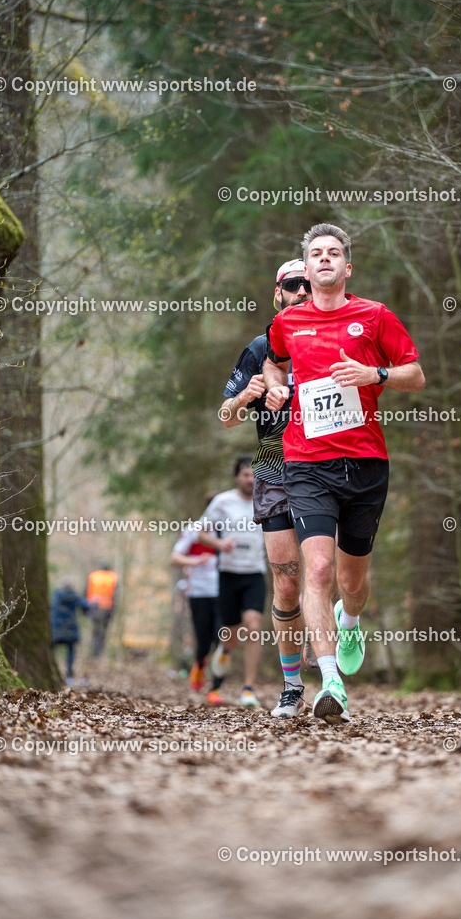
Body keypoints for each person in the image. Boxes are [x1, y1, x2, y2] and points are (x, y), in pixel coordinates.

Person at [264, 223, 425, 723]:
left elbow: (415, 375)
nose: (326, 260)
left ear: (347, 267)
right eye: (316, 254)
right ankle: (330, 680)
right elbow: (273, 363)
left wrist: (373, 374)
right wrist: (275, 388)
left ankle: (350, 620)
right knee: (316, 570)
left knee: (353, 580)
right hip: (306, 461)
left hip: (366, 462)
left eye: (335, 253)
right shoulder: (289, 323)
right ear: (306, 270)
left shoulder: (374, 316)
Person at [220, 259, 313, 719]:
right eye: (292, 286)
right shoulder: (260, 347)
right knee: (287, 580)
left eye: (309, 285)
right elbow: (226, 416)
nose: (301, 292)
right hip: (275, 464)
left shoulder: (331, 340)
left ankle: (338, 636)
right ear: (277, 294)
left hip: (326, 464)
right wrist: (245, 397)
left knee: (327, 576)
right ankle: (292, 685)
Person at [197, 457, 267, 707]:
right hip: (228, 574)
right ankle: (224, 653)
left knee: (254, 626)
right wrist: (219, 544)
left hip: (255, 574)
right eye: (246, 474)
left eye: (255, 475)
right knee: (232, 635)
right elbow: (201, 532)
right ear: (237, 477)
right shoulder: (223, 501)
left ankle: (248, 689)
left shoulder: (267, 499)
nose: (251, 479)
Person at [170, 520, 222, 694]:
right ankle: (199, 664)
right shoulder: (194, 530)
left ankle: (216, 687)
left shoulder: (231, 528)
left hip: (224, 593)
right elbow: (175, 558)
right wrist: (196, 561)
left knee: (222, 638)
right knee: (203, 640)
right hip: (199, 593)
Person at [50, 577, 91, 684]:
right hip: (70, 629)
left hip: (56, 628)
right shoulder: (75, 596)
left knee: (52, 649)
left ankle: (51, 670)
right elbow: (86, 606)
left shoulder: (56, 596)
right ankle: (69, 675)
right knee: (71, 651)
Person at [86, 562, 118, 658]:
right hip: (107, 608)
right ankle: (99, 652)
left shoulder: (93, 576)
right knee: (103, 631)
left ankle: (94, 651)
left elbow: (86, 590)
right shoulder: (113, 577)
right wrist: (114, 609)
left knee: (95, 630)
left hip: (94, 607)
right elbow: (116, 595)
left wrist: (86, 608)